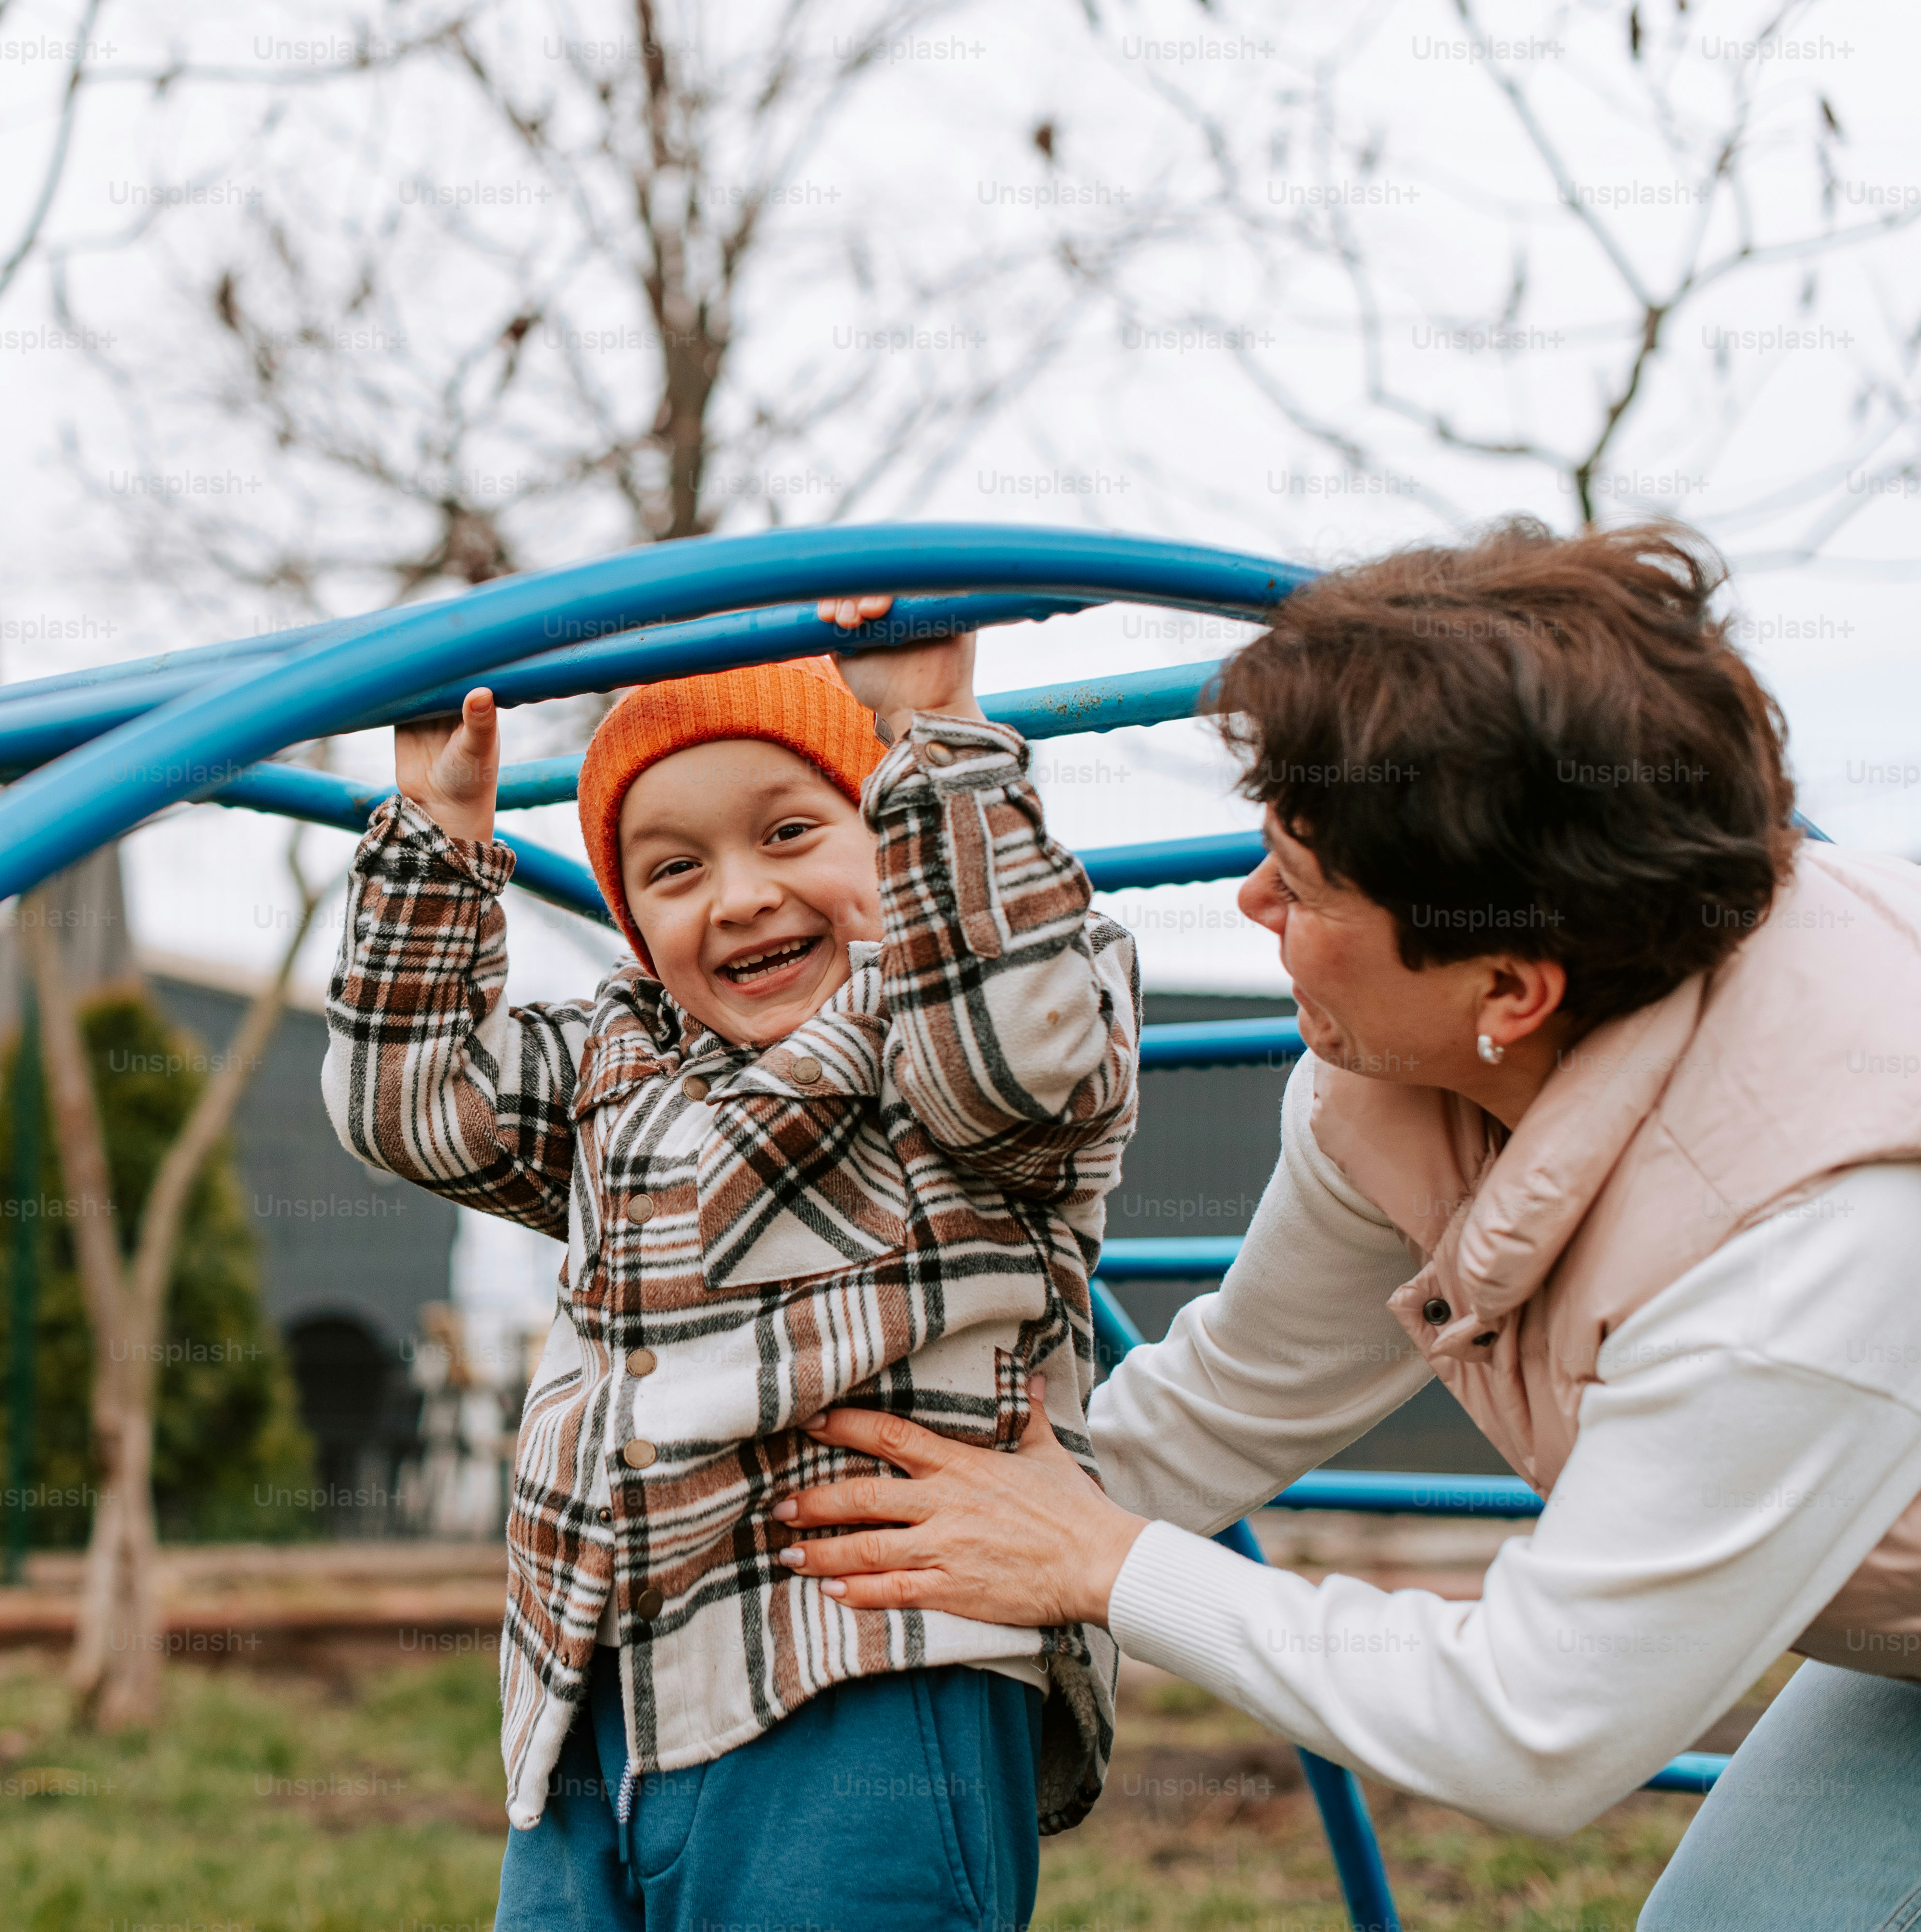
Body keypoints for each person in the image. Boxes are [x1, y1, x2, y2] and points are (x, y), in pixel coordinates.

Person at [770, 520, 1921, 1930]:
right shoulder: (1398, 1084)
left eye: (1304, 890)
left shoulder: (1814, 1243)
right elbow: (1227, 1406)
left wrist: (1103, 1565)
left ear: (1510, 989)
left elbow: (1532, 1725)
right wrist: (886, 1543)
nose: (1251, 901)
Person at [322, 623, 1141, 1930]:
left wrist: (934, 735)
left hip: (869, 1671)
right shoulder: (618, 1065)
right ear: (636, 927)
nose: (742, 895)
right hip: (598, 1702)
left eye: (790, 833)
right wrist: (436, 837)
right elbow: (415, 1109)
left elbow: (1012, 1060)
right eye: (675, 870)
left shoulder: (956, 1034)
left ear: (896, 840)